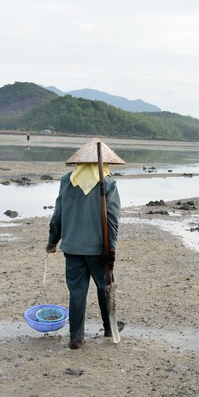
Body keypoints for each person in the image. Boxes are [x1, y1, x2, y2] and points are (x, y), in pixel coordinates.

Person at [46, 138, 125, 349]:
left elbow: (58, 216)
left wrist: (52, 241)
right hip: (99, 249)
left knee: (77, 291)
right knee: (104, 286)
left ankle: (76, 337)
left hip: (72, 247)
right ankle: (109, 328)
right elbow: (112, 220)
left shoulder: (66, 182)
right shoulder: (108, 184)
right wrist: (112, 248)